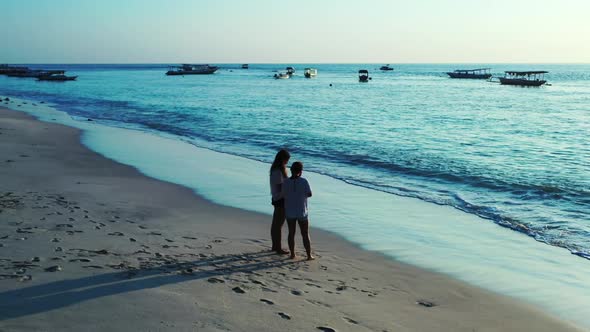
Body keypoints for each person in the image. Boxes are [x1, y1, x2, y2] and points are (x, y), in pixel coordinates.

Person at [282, 161, 314, 260]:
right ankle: (309, 255)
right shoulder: (304, 181)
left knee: (291, 233)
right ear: (301, 171)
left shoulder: (286, 182)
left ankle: (292, 254)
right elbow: (309, 194)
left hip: (290, 210)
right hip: (302, 211)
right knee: (305, 233)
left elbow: (283, 194)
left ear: (291, 170)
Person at [269, 149, 290, 254]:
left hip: (277, 197)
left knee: (276, 224)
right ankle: (277, 247)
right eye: (286, 160)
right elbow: (282, 187)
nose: (287, 162)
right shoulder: (278, 171)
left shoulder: (276, 169)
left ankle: (275, 246)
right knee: (278, 225)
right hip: (280, 198)